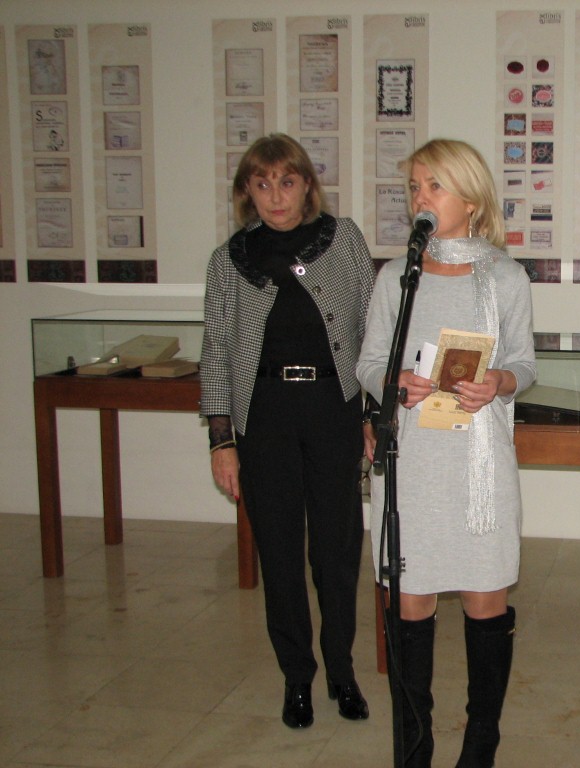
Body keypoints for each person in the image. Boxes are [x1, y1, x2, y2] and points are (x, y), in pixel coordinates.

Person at [356, 138, 536, 768]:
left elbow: (524, 364)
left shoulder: (506, 277)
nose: (421, 198)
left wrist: (499, 382)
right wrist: (393, 381)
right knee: (411, 598)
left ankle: (481, 741)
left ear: (472, 198)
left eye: (434, 185)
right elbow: (369, 361)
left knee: (486, 597)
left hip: (479, 462)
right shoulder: (396, 277)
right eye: (414, 187)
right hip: (414, 461)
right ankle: (415, 744)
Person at [200, 133, 374, 730]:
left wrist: (373, 415)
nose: (276, 196)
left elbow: (373, 331)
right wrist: (222, 441)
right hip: (265, 414)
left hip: (332, 407)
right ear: (246, 191)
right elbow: (217, 352)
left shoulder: (342, 239)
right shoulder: (229, 260)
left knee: (336, 551)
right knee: (277, 553)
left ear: (306, 185)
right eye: (262, 183)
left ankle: (342, 672)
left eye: (287, 181)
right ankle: (297, 677)